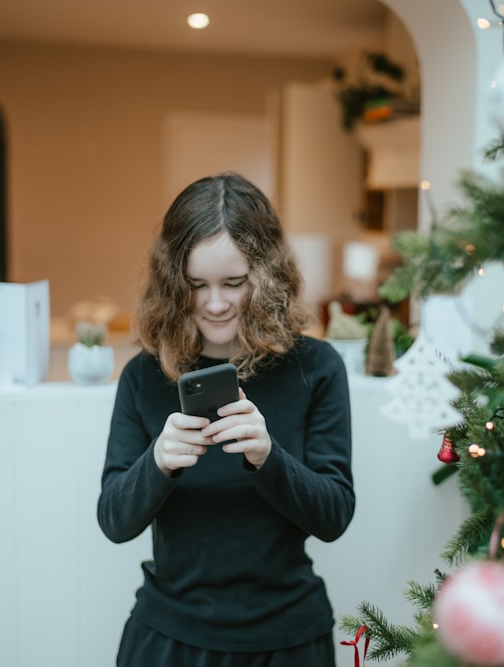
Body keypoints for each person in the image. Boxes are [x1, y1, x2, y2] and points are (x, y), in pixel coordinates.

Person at [97, 172, 355, 666]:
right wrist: (158, 464)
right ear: (173, 283)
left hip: (288, 640)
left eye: (234, 284)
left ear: (266, 277)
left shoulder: (316, 367)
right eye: (197, 286)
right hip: (170, 638)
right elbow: (114, 520)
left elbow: (334, 516)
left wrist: (267, 456)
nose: (215, 304)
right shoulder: (143, 376)